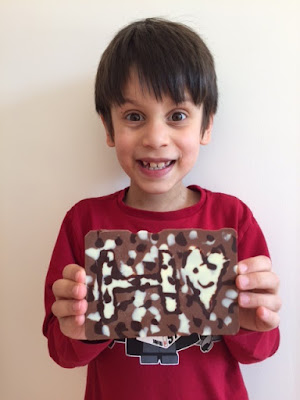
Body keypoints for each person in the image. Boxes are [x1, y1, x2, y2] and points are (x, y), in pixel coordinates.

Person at [43, 18, 281, 400]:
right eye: (134, 117)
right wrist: (78, 329)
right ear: (108, 127)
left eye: (177, 116)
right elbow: (62, 350)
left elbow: (263, 349)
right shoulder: (83, 223)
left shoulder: (232, 220)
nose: (155, 138)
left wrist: (254, 323)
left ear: (206, 126)